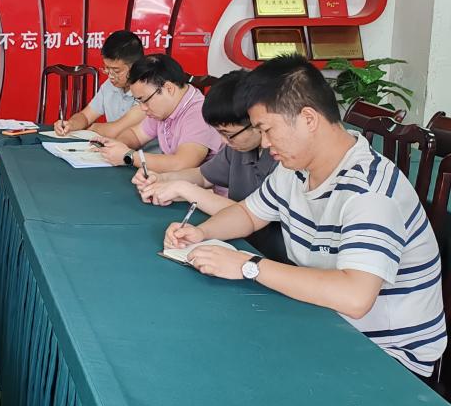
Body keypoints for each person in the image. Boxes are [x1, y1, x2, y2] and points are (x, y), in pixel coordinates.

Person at [166, 56, 446, 382]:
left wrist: (248, 265)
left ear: (308, 119)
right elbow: (248, 213)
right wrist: (200, 233)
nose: (264, 143)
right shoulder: (295, 169)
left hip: (386, 358)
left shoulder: (369, 192)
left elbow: (354, 297)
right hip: (325, 323)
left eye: (267, 130)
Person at [132, 70, 287, 262]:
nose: (223, 141)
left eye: (228, 134)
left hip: (270, 256)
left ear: (256, 121)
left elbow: (250, 213)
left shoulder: (285, 159)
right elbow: (204, 176)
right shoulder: (239, 147)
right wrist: (162, 179)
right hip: (237, 241)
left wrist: (184, 189)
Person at [93, 54, 223, 172]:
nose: (143, 108)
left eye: (145, 100)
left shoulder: (199, 113)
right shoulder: (164, 109)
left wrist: (129, 156)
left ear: (169, 89)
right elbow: (135, 134)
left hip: (206, 189)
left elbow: (182, 164)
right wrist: (117, 146)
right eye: (139, 101)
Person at [53, 30, 145, 138]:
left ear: (135, 67)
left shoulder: (146, 90)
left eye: (116, 71)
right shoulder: (108, 86)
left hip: (141, 149)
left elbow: (116, 130)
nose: (110, 76)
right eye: (107, 68)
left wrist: (92, 128)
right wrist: (70, 124)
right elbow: (85, 116)